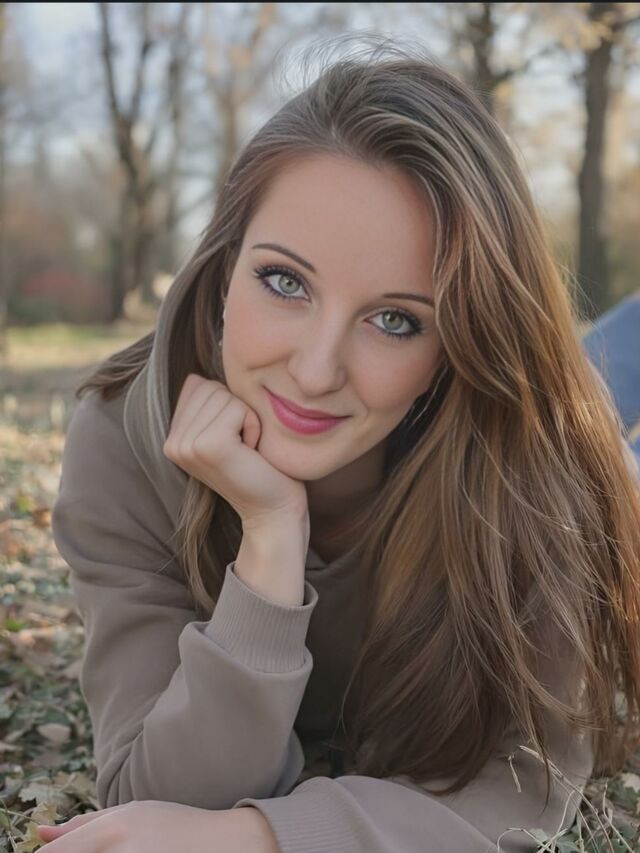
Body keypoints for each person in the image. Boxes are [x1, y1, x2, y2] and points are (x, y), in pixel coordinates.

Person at [44, 36, 640, 853]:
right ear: (224, 270)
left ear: (451, 348)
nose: (315, 370)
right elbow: (158, 790)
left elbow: (520, 782)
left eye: (395, 319)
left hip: (591, 440)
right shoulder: (124, 440)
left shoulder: (538, 467)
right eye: (285, 281)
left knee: (606, 382)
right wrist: (270, 537)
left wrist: (259, 839)